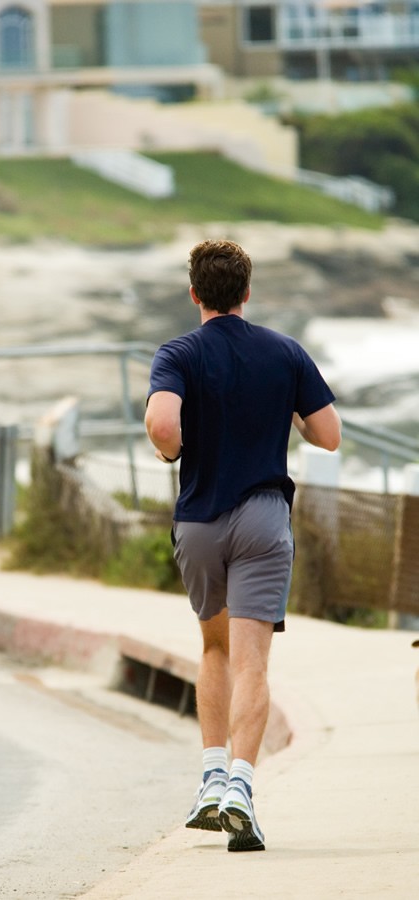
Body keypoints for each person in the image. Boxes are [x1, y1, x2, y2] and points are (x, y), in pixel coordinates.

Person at [145, 239, 341, 852]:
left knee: (214, 648)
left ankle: (208, 779)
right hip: (262, 518)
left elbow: (162, 425)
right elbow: (329, 436)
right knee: (254, 660)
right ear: (247, 293)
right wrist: (292, 417)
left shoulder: (177, 352)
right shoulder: (284, 352)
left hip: (200, 519)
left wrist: (171, 451)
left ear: (195, 293)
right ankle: (240, 790)